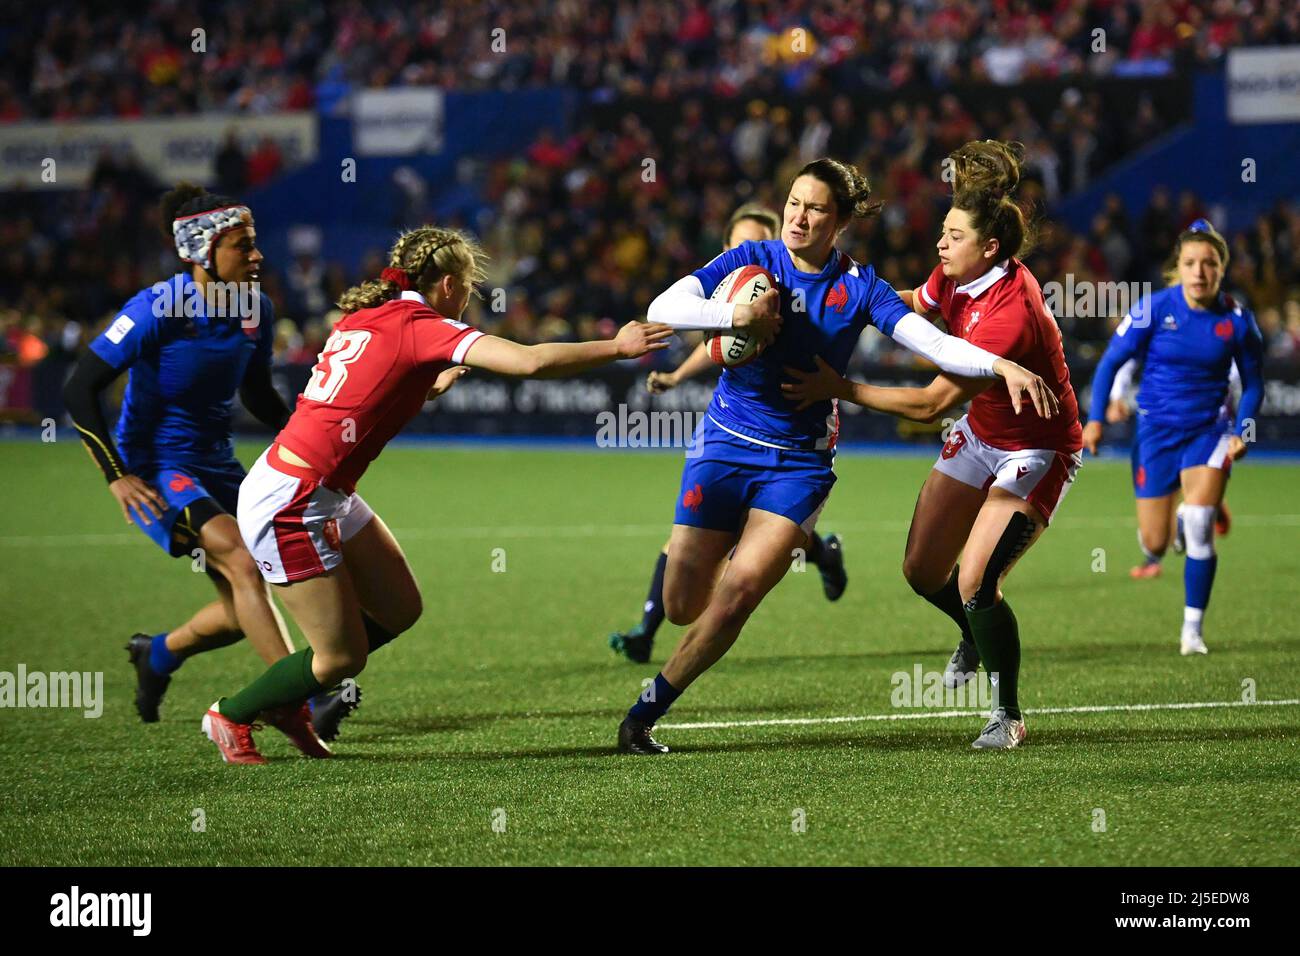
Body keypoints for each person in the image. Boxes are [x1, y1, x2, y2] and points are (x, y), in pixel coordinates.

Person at [615, 156, 1057, 755]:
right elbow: (666, 306)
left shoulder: (862, 288)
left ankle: (642, 716)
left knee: (740, 591)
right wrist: (735, 313)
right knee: (680, 604)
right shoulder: (754, 259)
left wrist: (1001, 363)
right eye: (793, 202)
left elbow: (929, 340)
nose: (798, 216)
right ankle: (798, 552)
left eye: (815, 207)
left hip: (798, 462)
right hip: (723, 444)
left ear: (840, 219)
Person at [201, 226, 673, 763]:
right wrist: (618, 346)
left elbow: (360, 392)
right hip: (293, 499)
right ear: (448, 284)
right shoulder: (421, 324)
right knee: (340, 661)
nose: (470, 296)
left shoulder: (368, 316)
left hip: (315, 486)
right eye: (469, 285)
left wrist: (427, 385)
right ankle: (233, 714)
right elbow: (531, 362)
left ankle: (289, 693)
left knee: (400, 607)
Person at [784, 141, 1078, 749]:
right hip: (984, 431)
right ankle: (973, 629)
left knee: (976, 581)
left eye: (952, 236)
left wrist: (839, 387)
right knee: (922, 571)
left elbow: (929, 404)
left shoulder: (1011, 312)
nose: (940, 245)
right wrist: (846, 292)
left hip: (1037, 450)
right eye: (941, 233)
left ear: (988, 248)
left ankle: (1008, 715)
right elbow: (912, 304)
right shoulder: (955, 276)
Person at [62, 183, 352, 748]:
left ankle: (159, 653)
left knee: (243, 589)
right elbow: (80, 388)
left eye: (255, 243)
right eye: (242, 246)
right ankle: (300, 700)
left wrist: (316, 442)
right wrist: (116, 474)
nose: (257, 256)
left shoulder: (255, 310)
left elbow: (259, 396)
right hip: (157, 470)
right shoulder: (157, 308)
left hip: (219, 465)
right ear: (201, 253)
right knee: (244, 565)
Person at [607, 203, 847, 665]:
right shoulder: (728, 292)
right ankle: (650, 626)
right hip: (729, 428)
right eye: (737, 245)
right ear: (725, 250)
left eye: (754, 242)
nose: (746, 253)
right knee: (694, 535)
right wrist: (677, 377)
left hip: (792, 434)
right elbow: (721, 348)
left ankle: (651, 629)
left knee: (745, 538)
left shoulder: (790, 293)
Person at [1083, 219, 1264, 655]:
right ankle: (1181, 515)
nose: (1200, 271)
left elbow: (1255, 383)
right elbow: (1110, 362)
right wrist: (1095, 419)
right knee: (1155, 543)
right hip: (1155, 434)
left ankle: (1192, 631)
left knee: (1201, 525)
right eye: (1191, 263)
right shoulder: (1152, 308)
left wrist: (1243, 430)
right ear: (1178, 268)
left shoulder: (1238, 320)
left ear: (1222, 268)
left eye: (1209, 263)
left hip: (1209, 431)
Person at [1107, 356, 1237, 579]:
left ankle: (1199, 506)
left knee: (1192, 489)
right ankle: (1195, 510)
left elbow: (1237, 367)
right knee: (1155, 539)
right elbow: (1123, 356)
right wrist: (1116, 395)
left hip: (1206, 417)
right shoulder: (1151, 322)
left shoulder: (1223, 324)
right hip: (1157, 426)